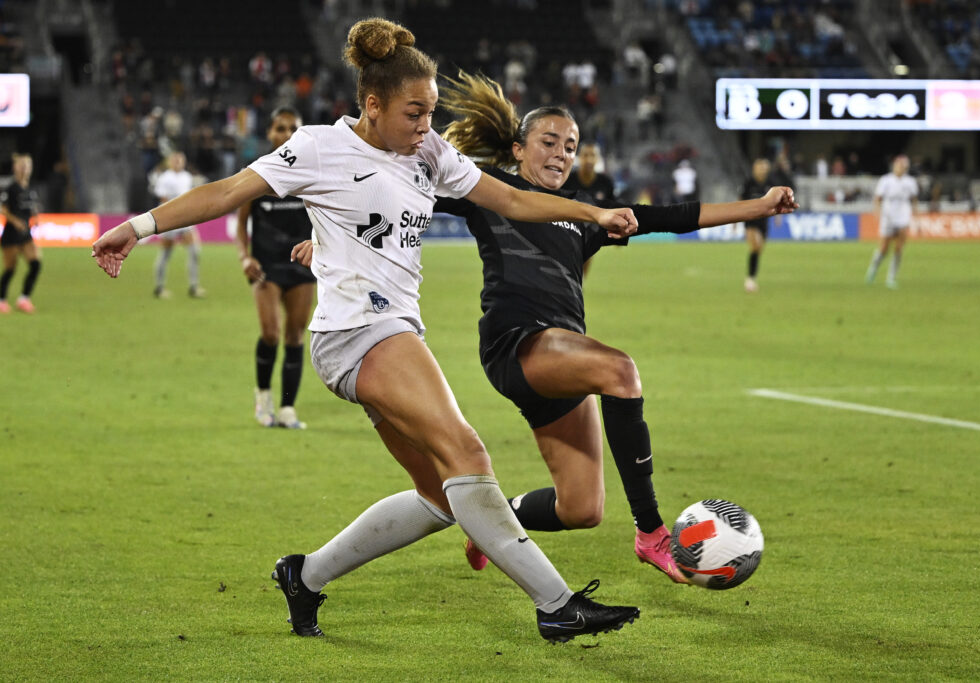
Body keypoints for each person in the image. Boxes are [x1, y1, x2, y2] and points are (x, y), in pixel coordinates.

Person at [92, 18, 640, 644]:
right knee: (469, 454)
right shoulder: (318, 148)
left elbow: (510, 200)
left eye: (431, 112)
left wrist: (590, 210)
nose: (425, 127)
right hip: (358, 332)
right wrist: (136, 227)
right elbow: (227, 191)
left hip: (389, 330)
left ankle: (305, 575)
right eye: (414, 112)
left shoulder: (427, 151)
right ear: (372, 105)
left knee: (439, 497)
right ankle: (556, 604)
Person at [298, 71, 796, 584]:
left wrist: (760, 206)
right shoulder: (490, 191)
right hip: (516, 343)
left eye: (571, 146)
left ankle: (489, 522)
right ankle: (651, 533)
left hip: (560, 355)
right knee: (620, 371)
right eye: (550, 141)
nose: (561, 153)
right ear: (518, 150)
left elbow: (674, 215)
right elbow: (393, 194)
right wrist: (337, 247)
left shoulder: (585, 216)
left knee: (581, 507)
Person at [235, 107, 316, 430]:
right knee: (270, 333)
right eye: (280, 128)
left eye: (292, 129)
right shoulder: (256, 174)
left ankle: (286, 409)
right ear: (269, 133)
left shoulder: (311, 174)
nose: (286, 135)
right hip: (265, 266)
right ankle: (263, 396)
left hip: (301, 266)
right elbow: (241, 225)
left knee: (295, 336)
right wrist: (245, 257)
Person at [152, 151, 205, 299]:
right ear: (170, 162)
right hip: (170, 219)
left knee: (195, 252)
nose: (178, 162)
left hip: (185, 219)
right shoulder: (165, 178)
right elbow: (163, 200)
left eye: (181, 160)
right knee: (165, 253)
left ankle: (194, 286)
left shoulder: (187, 177)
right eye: (175, 160)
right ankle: (159, 287)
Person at [563, 142, 616, 277]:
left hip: (589, 234)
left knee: (580, 272)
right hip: (566, 231)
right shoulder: (567, 180)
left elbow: (613, 207)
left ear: (598, 159)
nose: (589, 159)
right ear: (579, 157)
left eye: (593, 155)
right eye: (585, 155)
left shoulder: (605, 182)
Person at [866, 154, 918, 289]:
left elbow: (913, 200)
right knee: (884, 248)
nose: (900, 168)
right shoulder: (886, 180)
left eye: (903, 166)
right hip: (888, 215)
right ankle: (873, 268)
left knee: (899, 248)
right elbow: (878, 198)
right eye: (898, 165)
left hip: (903, 215)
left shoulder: (910, 182)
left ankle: (891, 278)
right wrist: (877, 212)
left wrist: (916, 216)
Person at [0, 154, 42, 314]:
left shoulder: (31, 189)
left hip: (25, 235)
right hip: (11, 235)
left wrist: (36, 216)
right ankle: (1, 300)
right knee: (10, 268)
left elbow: (32, 207)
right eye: (21, 165)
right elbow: (3, 209)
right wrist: (15, 221)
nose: (24, 168)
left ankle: (24, 299)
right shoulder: (11, 188)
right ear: (15, 168)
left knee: (35, 264)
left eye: (27, 165)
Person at [741, 158, 773, 293]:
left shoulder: (769, 184)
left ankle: (751, 277)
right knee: (755, 246)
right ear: (755, 169)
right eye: (760, 167)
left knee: (759, 249)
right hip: (750, 220)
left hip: (763, 221)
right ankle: (750, 279)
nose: (763, 170)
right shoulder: (749, 183)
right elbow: (741, 200)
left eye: (764, 168)